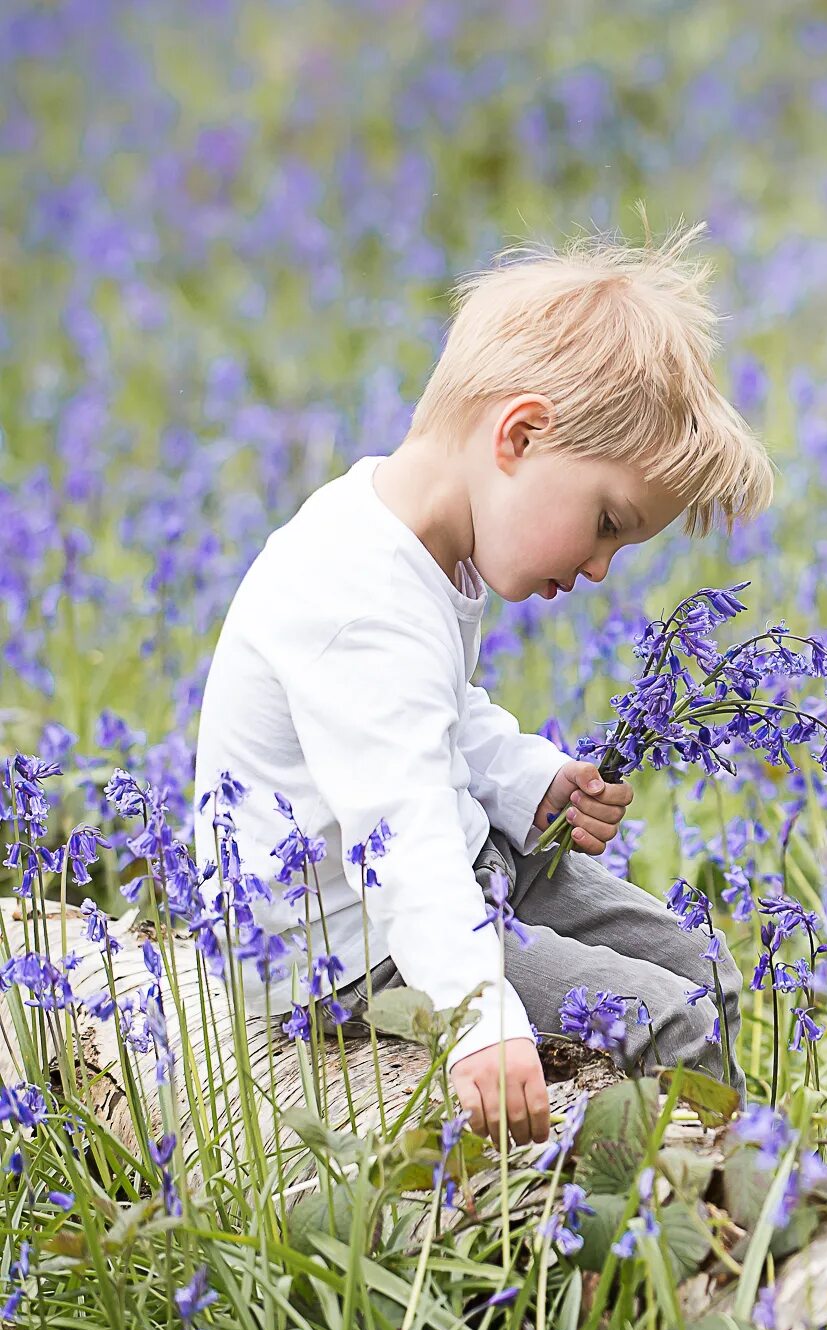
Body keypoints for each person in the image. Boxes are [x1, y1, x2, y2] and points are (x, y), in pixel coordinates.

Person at [192, 220, 773, 1149]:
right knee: (672, 1020)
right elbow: (399, 828)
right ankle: (706, 1226)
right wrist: (478, 1016)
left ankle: (734, 1161)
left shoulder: (421, 546)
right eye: (607, 523)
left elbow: (441, 718)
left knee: (704, 973)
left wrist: (525, 779)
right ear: (522, 434)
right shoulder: (356, 594)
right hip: (354, 947)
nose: (599, 570)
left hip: (459, 870)